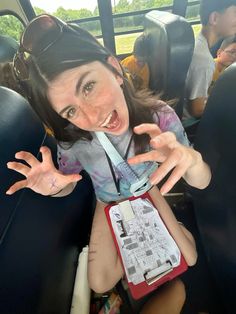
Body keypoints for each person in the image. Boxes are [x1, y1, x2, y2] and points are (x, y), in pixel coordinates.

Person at [7, 14, 211, 313]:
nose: (91, 116)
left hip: (149, 191)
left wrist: (192, 159)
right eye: (71, 110)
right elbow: (68, 180)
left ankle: (173, 229)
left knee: (189, 258)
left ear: (115, 69)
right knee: (100, 283)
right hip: (108, 202)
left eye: (88, 86)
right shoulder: (74, 142)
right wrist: (53, 189)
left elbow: (201, 180)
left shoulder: (160, 117)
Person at [183, 0, 236, 128]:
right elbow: (196, 110)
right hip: (190, 126)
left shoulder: (198, 45)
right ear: (214, 18)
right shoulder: (204, 60)